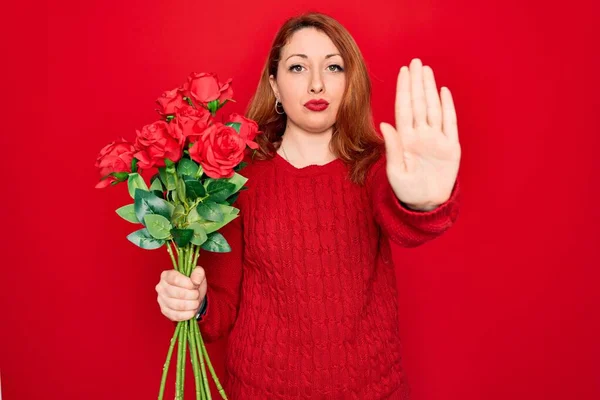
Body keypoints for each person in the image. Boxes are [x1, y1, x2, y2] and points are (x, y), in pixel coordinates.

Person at [155, 11, 461, 399]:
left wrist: (422, 201)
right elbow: (220, 310)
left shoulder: (377, 166)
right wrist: (194, 301)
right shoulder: (237, 176)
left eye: (333, 67)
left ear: (350, 82)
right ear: (275, 85)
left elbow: (407, 224)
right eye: (298, 67)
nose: (317, 83)